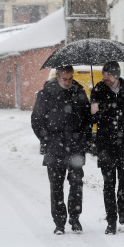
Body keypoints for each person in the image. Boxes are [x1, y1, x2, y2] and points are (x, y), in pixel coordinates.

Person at [31, 66, 92, 235]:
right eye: (64, 79)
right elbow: (36, 120)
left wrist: (85, 139)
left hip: (76, 147)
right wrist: (46, 139)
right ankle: (59, 223)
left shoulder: (79, 93)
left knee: (76, 185)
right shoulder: (46, 94)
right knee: (56, 187)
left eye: (70, 78)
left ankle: (75, 219)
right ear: (57, 77)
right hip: (54, 148)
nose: (67, 82)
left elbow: (87, 119)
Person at [90, 61, 124, 235]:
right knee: (108, 183)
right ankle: (111, 221)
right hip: (106, 143)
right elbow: (92, 119)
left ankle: (122, 208)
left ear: (116, 75)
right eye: (103, 74)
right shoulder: (98, 90)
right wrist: (93, 112)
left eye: (108, 75)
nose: (105, 78)